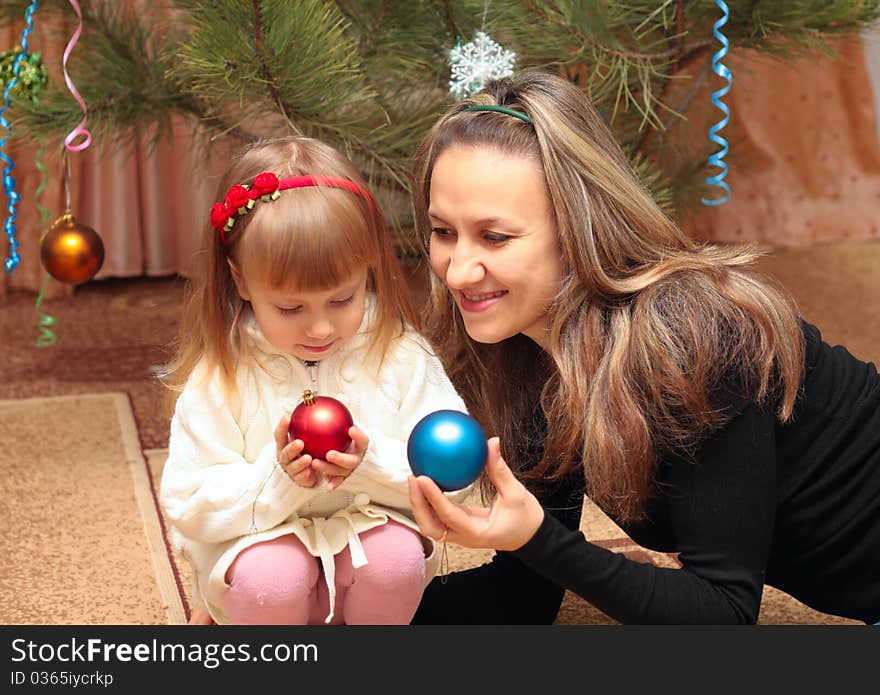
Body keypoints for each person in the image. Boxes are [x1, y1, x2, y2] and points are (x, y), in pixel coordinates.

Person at [405, 69, 880, 625]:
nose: (458, 271)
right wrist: (338, 615)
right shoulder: (526, 353)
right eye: (443, 232)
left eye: (496, 236)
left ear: (580, 230)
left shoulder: (696, 343)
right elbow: (524, 596)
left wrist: (541, 539)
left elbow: (722, 618)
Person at [158, 135, 469, 625]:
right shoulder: (222, 374)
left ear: (368, 268)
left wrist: (368, 468)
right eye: (290, 308)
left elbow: (454, 480)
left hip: (370, 554)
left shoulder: (401, 355)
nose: (321, 328)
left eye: (342, 299)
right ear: (239, 281)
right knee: (271, 579)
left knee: (395, 562)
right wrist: (278, 480)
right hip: (259, 553)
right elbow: (188, 503)